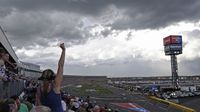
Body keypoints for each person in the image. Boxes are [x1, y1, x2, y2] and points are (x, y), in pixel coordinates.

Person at [36, 43, 65, 112]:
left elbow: (38, 103)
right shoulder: (55, 86)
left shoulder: (39, 88)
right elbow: (61, 66)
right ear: (52, 79)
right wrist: (64, 50)